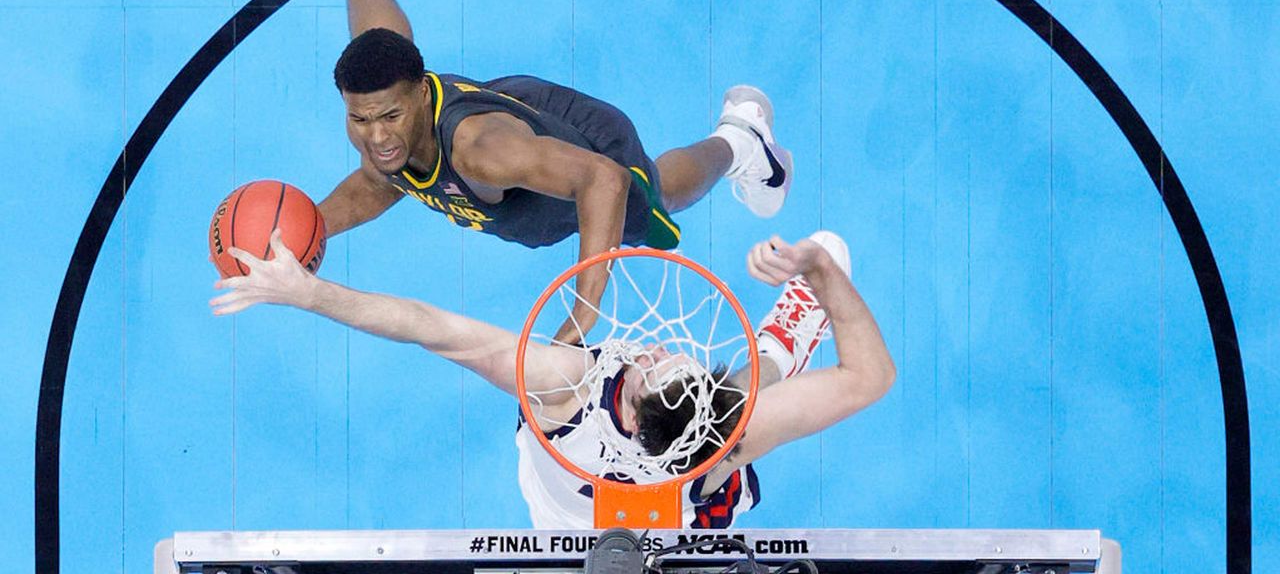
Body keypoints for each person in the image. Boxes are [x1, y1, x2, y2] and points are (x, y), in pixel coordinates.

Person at [247, 0, 793, 342]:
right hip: (512, 113)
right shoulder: (387, 107)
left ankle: (742, 138)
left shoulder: (482, 153)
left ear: (420, 94)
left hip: (587, 148)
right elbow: (379, 179)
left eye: (388, 116)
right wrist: (300, 232)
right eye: (358, 120)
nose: (374, 136)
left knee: (653, 194)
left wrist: (583, 316)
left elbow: (601, 179)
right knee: (380, 56)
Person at [209, 229, 896, 528]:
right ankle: (785, 334)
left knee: (744, 400)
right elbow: (869, 379)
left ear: (627, 400)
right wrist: (826, 272)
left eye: (655, 364)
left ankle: (785, 337)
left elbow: (430, 326)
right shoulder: (722, 437)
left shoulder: (565, 385)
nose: (656, 349)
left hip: (568, 499)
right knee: (753, 392)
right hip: (672, 494)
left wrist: (309, 294)